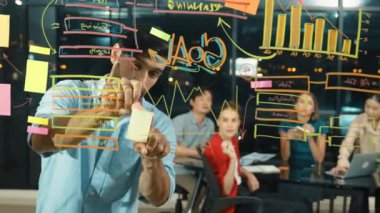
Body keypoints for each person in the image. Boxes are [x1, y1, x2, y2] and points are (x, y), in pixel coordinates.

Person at [27, 26, 177, 212]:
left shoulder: (159, 124)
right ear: (115, 53)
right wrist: (106, 109)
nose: (141, 79)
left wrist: (152, 160)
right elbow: (38, 139)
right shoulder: (67, 92)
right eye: (136, 65)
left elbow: (159, 198)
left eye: (153, 74)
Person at [203, 102, 309, 213]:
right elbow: (226, 191)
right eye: (225, 120)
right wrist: (232, 160)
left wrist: (248, 175)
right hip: (233, 204)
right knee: (299, 208)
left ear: (239, 123)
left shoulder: (232, 139)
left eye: (234, 120)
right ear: (218, 122)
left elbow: (236, 168)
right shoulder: (215, 147)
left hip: (241, 192)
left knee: (302, 201)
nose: (230, 125)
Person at [172, 88, 215, 212]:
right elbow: (175, 150)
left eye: (209, 100)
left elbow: (206, 149)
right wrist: (197, 152)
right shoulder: (180, 120)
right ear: (192, 102)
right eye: (201, 99)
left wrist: (186, 150)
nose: (205, 102)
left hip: (199, 169)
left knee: (216, 188)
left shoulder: (210, 124)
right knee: (200, 190)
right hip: (176, 170)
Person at [331, 94, 380, 175]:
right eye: (367, 107)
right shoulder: (359, 119)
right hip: (364, 167)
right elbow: (347, 143)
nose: (369, 111)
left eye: (375, 109)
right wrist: (342, 164)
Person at [279, 93, 328, 167]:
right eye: (302, 102)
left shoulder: (320, 125)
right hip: (291, 167)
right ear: (296, 106)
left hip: (312, 169)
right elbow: (285, 158)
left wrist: (310, 138)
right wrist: (287, 139)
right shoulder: (286, 123)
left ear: (313, 109)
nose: (305, 106)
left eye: (309, 103)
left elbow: (319, 159)